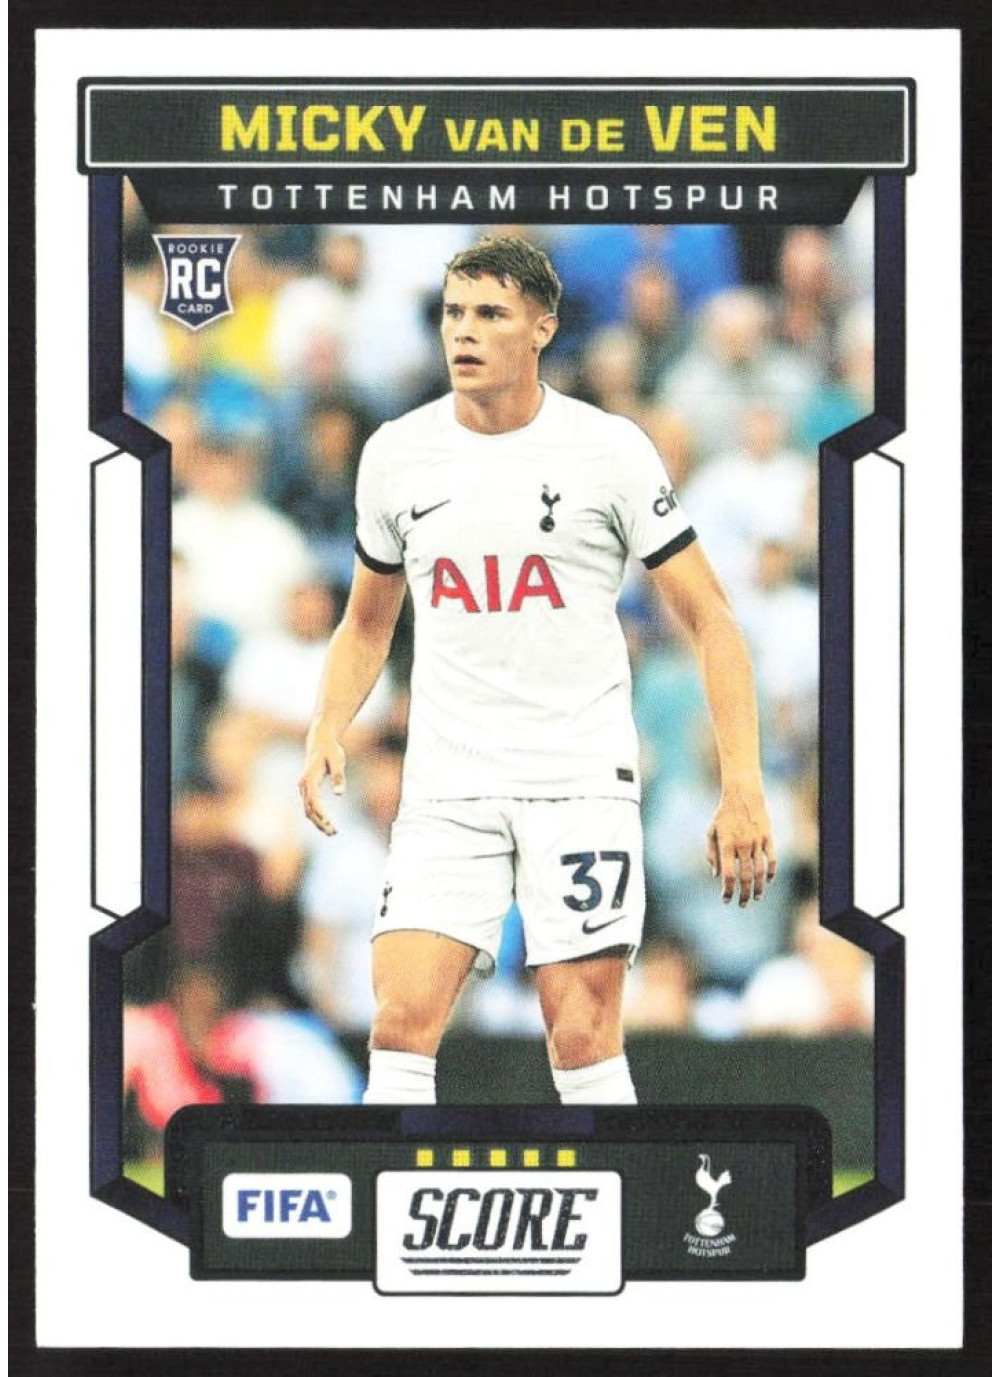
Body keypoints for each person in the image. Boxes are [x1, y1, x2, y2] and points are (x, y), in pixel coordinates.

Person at [299, 234, 777, 1106]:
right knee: (399, 1023)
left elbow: (712, 616)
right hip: (449, 781)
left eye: (491, 314)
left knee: (583, 1032)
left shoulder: (608, 450)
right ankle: (389, 1199)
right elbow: (366, 624)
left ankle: (621, 1198)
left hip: (577, 775)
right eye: (454, 313)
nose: (464, 332)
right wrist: (328, 723)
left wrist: (742, 783)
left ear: (542, 328)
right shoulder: (396, 454)